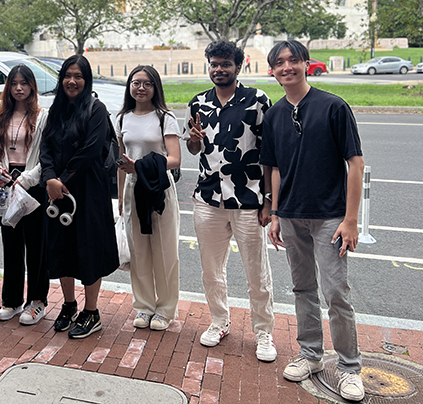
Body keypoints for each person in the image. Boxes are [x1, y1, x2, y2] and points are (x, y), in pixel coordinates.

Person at [261, 40, 365, 402]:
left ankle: (350, 368)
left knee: (336, 292)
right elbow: (273, 168)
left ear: (306, 63)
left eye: (293, 60)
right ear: (271, 70)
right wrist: (275, 213)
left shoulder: (333, 107)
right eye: (279, 63)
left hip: (330, 217)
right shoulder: (274, 115)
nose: (287, 67)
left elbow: (356, 163)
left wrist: (351, 220)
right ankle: (310, 354)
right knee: (302, 289)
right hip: (290, 216)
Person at [185, 41, 276, 362]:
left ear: (239, 66)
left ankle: (263, 331)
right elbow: (195, 150)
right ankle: (219, 321)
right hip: (208, 198)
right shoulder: (199, 103)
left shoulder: (257, 101)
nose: (218, 69)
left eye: (225, 64)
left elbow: (270, 154)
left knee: (257, 272)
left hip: (248, 199)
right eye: (214, 63)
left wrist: (269, 203)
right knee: (211, 270)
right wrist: (193, 142)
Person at [39, 54, 119, 339]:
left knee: (89, 248)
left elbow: (89, 151)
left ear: (87, 80)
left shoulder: (96, 109)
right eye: (67, 76)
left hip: (88, 192)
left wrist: (61, 180)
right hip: (57, 191)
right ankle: (69, 305)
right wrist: (49, 177)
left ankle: (92, 311)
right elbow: (45, 147)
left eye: (78, 76)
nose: (72, 81)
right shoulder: (55, 110)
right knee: (62, 248)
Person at [116, 65, 181, 332]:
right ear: (129, 86)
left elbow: (175, 159)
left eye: (147, 83)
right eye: (136, 83)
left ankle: (165, 309)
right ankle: (143, 306)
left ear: (156, 87)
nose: (141, 88)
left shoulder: (165, 117)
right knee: (139, 251)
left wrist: (140, 167)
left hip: (159, 188)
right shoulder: (121, 118)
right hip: (133, 189)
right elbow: (121, 161)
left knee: (166, 251)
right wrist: (121, 196)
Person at [0, 65, 50, 325]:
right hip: (7, 184)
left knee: (36, 245)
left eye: (24, 83)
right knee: (11, 243)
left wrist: (26, 179)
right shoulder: (0, 115)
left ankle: (37, 301)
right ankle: (12, 300)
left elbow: (47, 156)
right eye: (14, 83)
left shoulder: (42, 116)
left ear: (32, 86)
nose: (18, 88)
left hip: (32, 183)